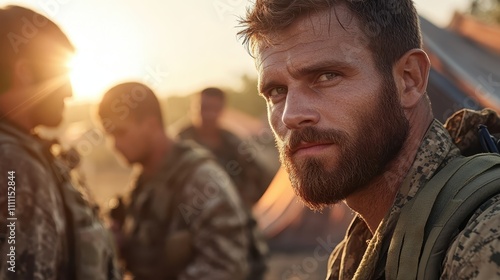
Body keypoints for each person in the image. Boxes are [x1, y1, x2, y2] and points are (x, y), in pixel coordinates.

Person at [238, 0, 500, 279]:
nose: (291, 115)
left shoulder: (485, 235)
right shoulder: (355, 252)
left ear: (408, 79)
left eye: (326, 76)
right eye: (277, 91)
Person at [0, 5, 120, 280]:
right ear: (25, 72)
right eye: (61, 75)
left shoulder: (26, 152)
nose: (70, 91)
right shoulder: (14, 163)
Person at [98, 82, 250, 280]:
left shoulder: (200, 178)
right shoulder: (144, 179)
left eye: (121, 133)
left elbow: (227, 267)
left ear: (151, 125)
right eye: (109, 135)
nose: (114, 145)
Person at [177, 87, 269, 279]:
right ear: (193, 108)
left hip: (234, 225)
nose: (207, 114)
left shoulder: (232, 142)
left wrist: (242, 200)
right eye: (202, 107)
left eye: (213, 108)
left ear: (222, 111)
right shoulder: (180, 142)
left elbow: (259, 176)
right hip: (190, 227)